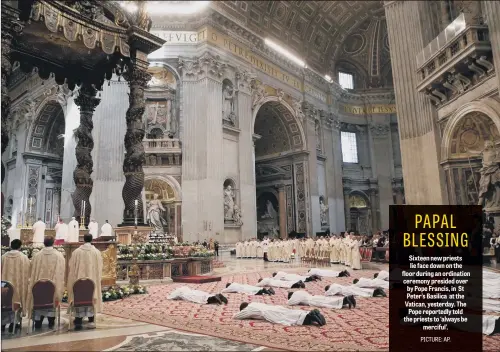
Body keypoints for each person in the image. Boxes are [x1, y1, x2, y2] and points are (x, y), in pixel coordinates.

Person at [26, 237, 65, 329]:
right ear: (53, 243)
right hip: (52, 289)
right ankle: (51, 321)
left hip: (38, 289)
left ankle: (38, 321)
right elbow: (61, 273)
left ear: (44, 243)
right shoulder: (59, 256)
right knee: (51, 298)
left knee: (39, 300)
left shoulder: (37, 256)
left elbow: (32, 271)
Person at [67, 234, 103, 330]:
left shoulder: (76, 252)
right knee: (91, 295)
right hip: (92, 280)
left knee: (79, 295)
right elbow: (100, 268)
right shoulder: (96, 252)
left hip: (78, 280)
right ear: (92, 240)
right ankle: (91, 319)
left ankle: (78, 319)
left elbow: (71, 266)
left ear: (83, 240)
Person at [1, 239, 30, 333]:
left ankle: (2, 324)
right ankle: (14, 324)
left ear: (10, 246)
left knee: (5, 303)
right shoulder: (24, 258)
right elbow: (27, 274)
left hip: (4, 287)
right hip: (18, 287)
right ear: (20, 247)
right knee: (17, 302)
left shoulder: (3, 257)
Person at [234, 302, 326, 326]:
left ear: (243, 309)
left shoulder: (248, 309)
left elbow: (236, 316)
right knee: (290, 313)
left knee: (287, 319)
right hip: (274, 308)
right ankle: (310, 314)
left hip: (270, 313)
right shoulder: (254, 304)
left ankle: (310, 316)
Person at [287, 291, 356, 309]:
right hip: (315, 297)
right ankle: (347, 299)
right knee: (329, 300)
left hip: (313, 301)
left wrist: (288, 300)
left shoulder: (296, 295)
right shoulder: (300, 292)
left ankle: (346, 299)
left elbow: (290, 303)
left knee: (329, 303)